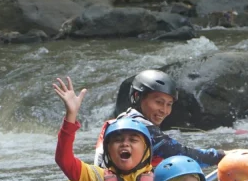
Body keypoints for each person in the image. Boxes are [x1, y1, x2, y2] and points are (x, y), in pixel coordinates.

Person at [93, 69, 225, 168]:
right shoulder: (139, 128)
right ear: (137, 97)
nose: (164, 110)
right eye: (159, 102)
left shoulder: (120, 120)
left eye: (169, 104)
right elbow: (183, 155)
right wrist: (222, 155)